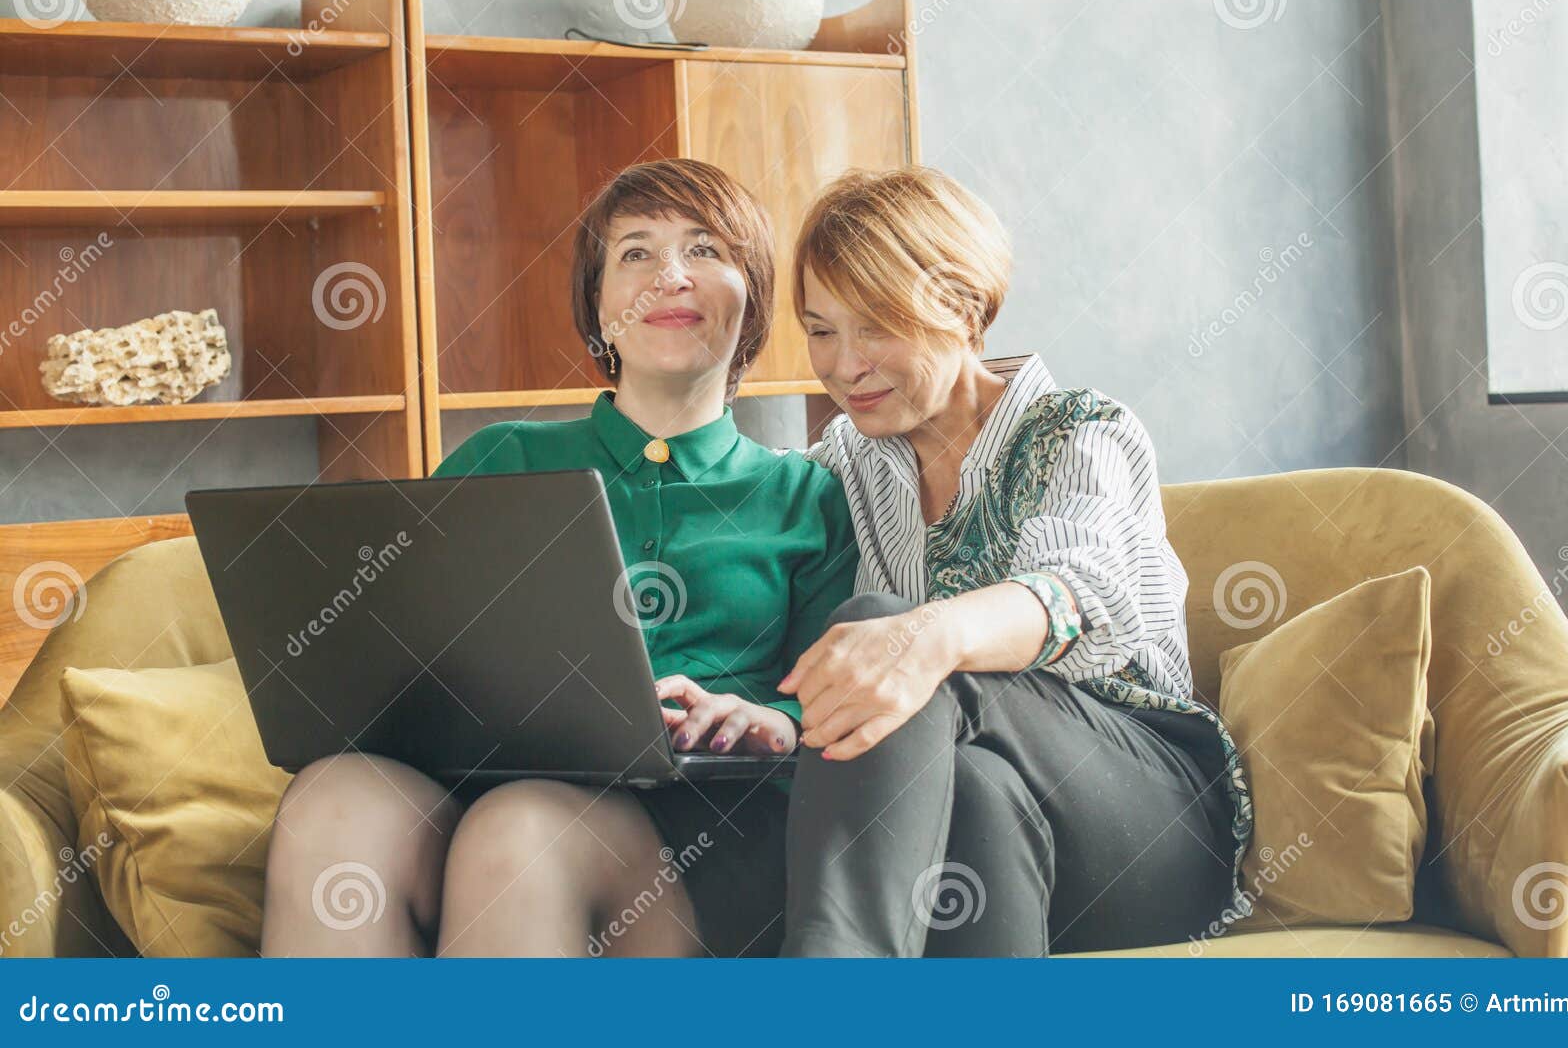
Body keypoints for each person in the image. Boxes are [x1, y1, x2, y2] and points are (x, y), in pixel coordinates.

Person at [260, 159, 857, 957]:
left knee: (522, 831)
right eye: (636, 254)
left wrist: (773, 722)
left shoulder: (805, 494)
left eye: (705, 250)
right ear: (598, 305)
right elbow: (397, 656)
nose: (668, 277)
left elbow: (836, 699)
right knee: (334, 798)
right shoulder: (501, 458)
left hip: (697, 840)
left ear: (750, 298)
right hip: (475, 798)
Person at [777, 165, 1253, 956]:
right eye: (821, 328)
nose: (844, 363)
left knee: (893, 637)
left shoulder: (1080, 430)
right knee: (975, 793)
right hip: (1002, 823)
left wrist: (930, 636)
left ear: (963, 309)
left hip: (1149, 824)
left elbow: (1079, 592)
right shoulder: (847, 463)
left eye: (876, 325)